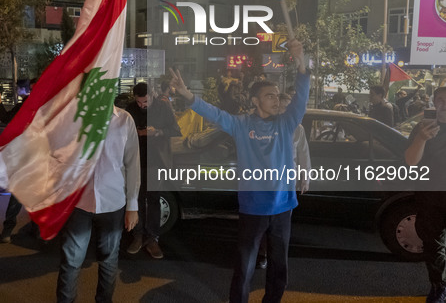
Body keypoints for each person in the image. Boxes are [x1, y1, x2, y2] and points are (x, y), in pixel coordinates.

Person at [170, 38, 309, 303]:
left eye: (277, 95)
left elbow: (301, 98)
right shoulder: (241, 125)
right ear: (255, 100)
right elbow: (214, 114)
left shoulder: (287, 123)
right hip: (253, 208)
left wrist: (301, 61)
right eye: (270, 95)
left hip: (283, 207)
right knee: (244, 267)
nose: (276, 99)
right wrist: (187, 95)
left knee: (279, 267)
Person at [56, 106, 140, 303]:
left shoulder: (124, 120)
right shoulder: (73, 117)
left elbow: (132, 164)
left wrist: (132, 205)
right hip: (77, 203)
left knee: (109, 261)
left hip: (113, 202)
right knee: (70, 261)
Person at [255, 92, 311, 270]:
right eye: (279, 107)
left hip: (287, 182)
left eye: (286, 107)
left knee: (281, 223)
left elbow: (303, 154)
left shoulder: (297, 128)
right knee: (263, 220)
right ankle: (262, 253)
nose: (282, 110)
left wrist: (304, 178)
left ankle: (276, 256)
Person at [125, 81, 181, 259]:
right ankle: (138, 236)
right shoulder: (130, 108)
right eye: (140, 102)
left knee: (154, 199)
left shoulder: (163, 107)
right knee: (136, 198)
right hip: (135, 159)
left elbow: (175, 130)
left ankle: (153, 239)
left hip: (156, 160)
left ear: (153, 95)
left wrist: (156, 132)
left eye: (146, 102)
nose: (142, 106)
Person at [405, 87, 446, 303]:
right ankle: (439, 286)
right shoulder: (422, 128)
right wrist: (421, 138)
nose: (443, 105)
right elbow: (411, 161)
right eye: (439, 100)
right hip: (430, 198)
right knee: (433, 247)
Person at [0, 80, 35, 243]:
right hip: (24, 157)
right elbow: (5, 118)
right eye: (32, 88)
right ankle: (8, 229)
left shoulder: (51, 107)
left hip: (41, 158)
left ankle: (36, 229)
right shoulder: (25, 106)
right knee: (17, 194)